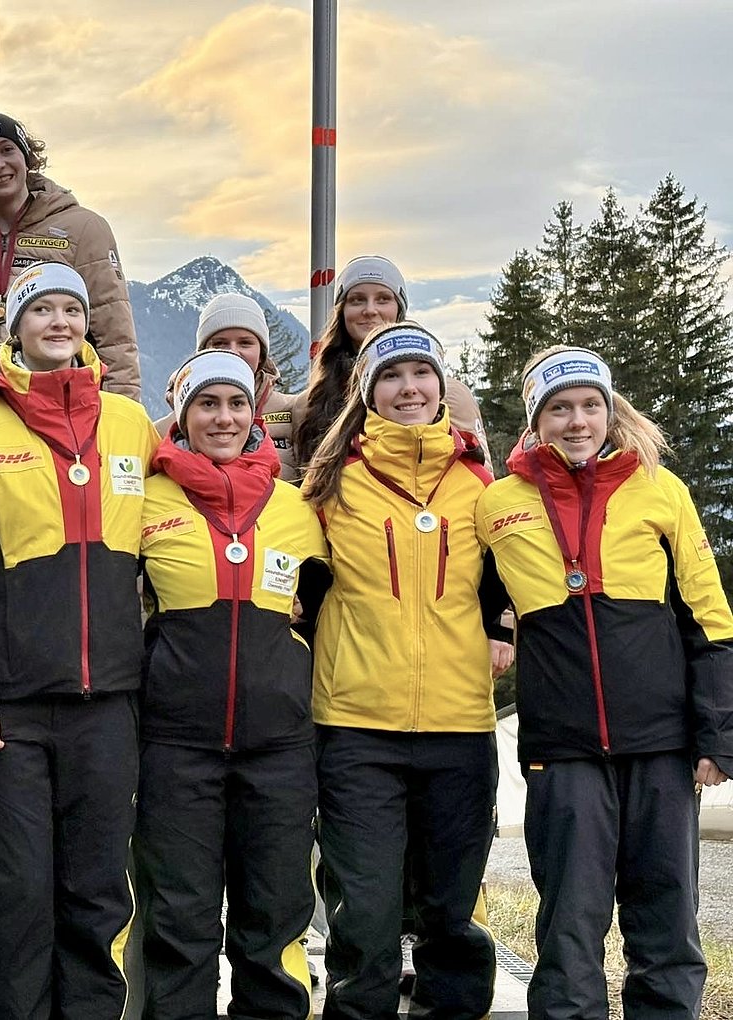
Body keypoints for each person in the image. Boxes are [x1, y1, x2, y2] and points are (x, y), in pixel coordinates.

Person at [476, 346, 733, 1020]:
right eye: (559, 408)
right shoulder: (497, 504)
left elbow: (708, 618)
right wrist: (498, 631)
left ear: (612, 411)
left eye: (591, 405)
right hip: (561, 746)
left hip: (660, 740)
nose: (578, 420)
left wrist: (715, 733)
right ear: (536, 421)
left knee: (666, 916)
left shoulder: (660, 489)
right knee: (568, 921)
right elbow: (471, 587)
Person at [0, 262, 158, 1018]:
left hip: (110, 705)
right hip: (11, 715)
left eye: (71, 309)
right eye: (42, 310)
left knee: (96, 905)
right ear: (15, 326)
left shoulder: (131, 425)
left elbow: (171, 547)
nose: (58, 322)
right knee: (14, 904)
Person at [300, 321, 513, 1020]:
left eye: (422, 373)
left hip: (460, 724)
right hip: (358, 728)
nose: (409, 388)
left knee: (451, 910)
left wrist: (502, 630)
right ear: (368, 393)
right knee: (363, 910)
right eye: (391, 376)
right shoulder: (332, 486)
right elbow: (296, 596)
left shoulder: (481, 483)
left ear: (443, 385)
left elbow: (507, 586)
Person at [136, 349, 328, 1019]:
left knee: (273, 921)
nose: (223, 418)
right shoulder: (144, 497)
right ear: (182, 416)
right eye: (207, 405)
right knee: (179, 922)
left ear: (255, 415)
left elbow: (329, 604)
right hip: (176, 745)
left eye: (236, 405)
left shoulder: (296, 506)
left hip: (277, 745)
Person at [0, 111, 140, 415]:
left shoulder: (82, 228)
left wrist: (123, 419)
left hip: (63, 416)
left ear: (27, 157)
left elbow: (116, 340)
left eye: (7, 150)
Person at [293, 255, 490, 476]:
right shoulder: (313, 400)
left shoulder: (451, 395)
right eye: (357, 300)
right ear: (342, 311)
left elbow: (478, 476)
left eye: (383, 299)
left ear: (399, 309)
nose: (370, 310)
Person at [153, 292, 305, 480]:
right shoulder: (163, 430)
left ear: (261, 353)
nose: (233, 352)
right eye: (220, 343)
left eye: (245, 343)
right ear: (203, 353)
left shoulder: (295, 412)